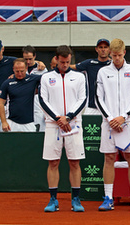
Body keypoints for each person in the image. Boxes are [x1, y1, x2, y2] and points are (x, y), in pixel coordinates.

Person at [96, 39, 130, 212]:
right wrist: (110, 118)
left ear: (124, 52)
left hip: (128, 122)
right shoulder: (102, 72)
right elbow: (98, 98)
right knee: (109, 158)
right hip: (108, 122)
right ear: (110, 54)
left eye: (119, 55)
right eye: (113, 55)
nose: (116, 58)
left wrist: (123, 117)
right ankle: (108, 198)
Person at [39, 45, 87, 212]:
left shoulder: (80, 77)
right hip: (53, 124)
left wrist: (68, 116)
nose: (65, 64)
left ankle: (76, 199)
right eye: (62, 61)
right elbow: (43, 100)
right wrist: (57, 118)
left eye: (68, 62)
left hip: (73, 123)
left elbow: (83, 99)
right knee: (53, 162)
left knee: (74, 162)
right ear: (56, 59)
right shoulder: (46, 78)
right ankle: (53, 199)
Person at [0, 58, 41, 132]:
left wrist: (40, 63)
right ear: (13, 69)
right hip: (11, 122)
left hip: (29, 123)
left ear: (26, 68)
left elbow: (50, 75)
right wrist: (4, 122)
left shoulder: (33, 79)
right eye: (17, 71)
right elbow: (0, 103)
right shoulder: (7, 83)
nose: (20, 74)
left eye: (22, 71)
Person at [72, 39, 111, 115]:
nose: (103, 50)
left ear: (109, 50)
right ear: (96, 49)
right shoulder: (89, 63)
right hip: (92, 107)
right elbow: (69, 67)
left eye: (105, 47)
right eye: (100, 47)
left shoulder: (113, 64)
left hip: (109, 107)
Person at [23, 45, 48, 131]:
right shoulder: (20, 68)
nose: (28, 61)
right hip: (23, 100)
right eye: (26, 59)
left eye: (30, 59)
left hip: (37, 100)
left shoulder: (42, 69)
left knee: (39, 127)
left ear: (34, 56)